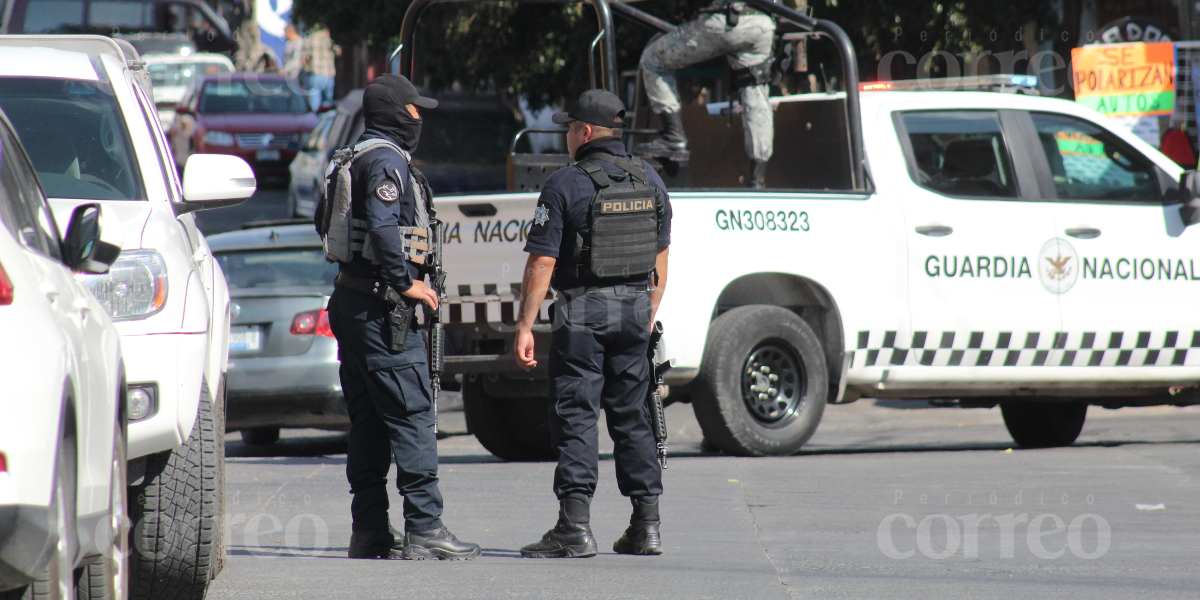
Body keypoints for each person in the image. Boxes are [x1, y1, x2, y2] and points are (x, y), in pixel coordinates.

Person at [322, 74, 480, 560]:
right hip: (381, 309)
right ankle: (425, 528)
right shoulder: (387, 161)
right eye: (414, 111)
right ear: (395, 113)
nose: (420, 119)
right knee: (412, 415)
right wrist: (405, 282)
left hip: (351, 299)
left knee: (368, 421)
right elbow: (386, 224)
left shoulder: (350, 157)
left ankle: (369, 531)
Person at [514, 89, 672, 558]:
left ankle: (574, 528)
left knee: (576, 413)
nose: (566, 135)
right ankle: (646, 525)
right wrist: (647, 316)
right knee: (634, 416)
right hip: (635, 310)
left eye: (569, 127)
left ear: (584, 132)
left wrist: (524, 325)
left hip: (582, 311)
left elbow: (542, 262)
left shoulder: (564, 183)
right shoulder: (651, 180)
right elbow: (661, 261)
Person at [637, 0, 776, 188]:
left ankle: (674, 136)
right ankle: (757, 180)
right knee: (754, 87)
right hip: (763, 24)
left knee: (653, 58)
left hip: (726, 20)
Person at [304, 27, 340, 111]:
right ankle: (326, 122)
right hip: (328, 74)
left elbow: (305, 56)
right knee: (327, 104)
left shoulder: (309, 38)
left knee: (314, 106)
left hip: (315, 73)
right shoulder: (329, 39)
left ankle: (316, 123)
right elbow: (338, 51)